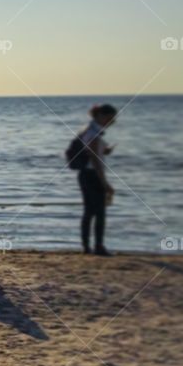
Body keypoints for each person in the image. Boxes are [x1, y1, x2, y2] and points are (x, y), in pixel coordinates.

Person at [77, 104, 117, 256]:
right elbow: (94, 159)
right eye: (110, 117)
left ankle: (87, 247)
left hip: (85, 174)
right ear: (101, 115)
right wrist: (105, 183)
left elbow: (92, 151)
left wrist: (105, 150)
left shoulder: (88, 129)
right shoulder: (93, 132)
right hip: (91, 174)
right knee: (98, 212)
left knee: (89, 211)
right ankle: (98, 246)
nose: (112, 121)